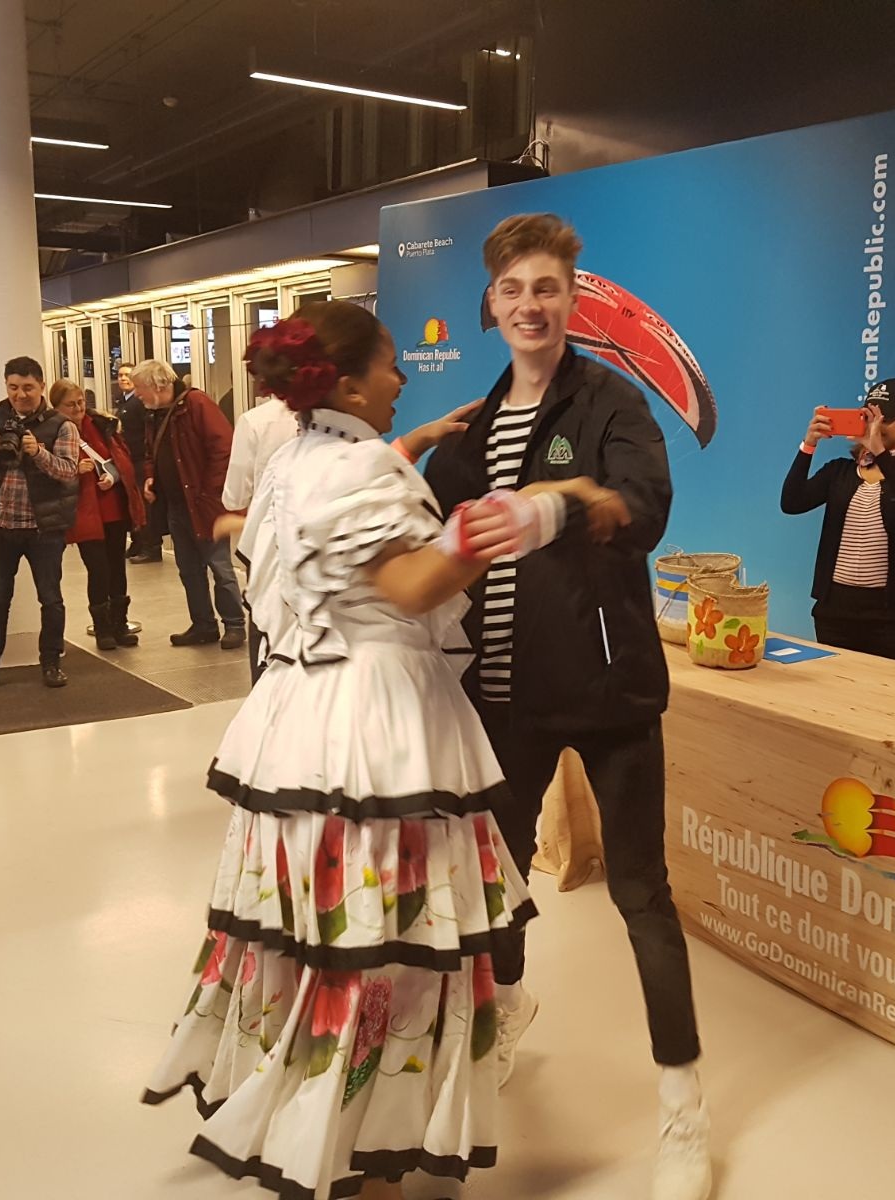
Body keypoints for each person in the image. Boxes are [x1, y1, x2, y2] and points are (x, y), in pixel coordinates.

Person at [143, 301, 600, 1199]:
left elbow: (316, 552)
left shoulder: (293, 464)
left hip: (300, 721)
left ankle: (323, 1123)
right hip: (377, 729)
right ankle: (366, 1148)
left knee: (318, 936)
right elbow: (413, 581)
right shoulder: (358, 467)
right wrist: (544, 507)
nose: (402, 379)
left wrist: (419, 449)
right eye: (392, 366)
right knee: (387, 940)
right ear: (349, 383)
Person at [424, 213, 712, 1200]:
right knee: (493, 884)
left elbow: (643, 505)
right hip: (502, 700)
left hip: (609, 692)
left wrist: (563, 504)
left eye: (546, 288)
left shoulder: (611, 403)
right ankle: (505, 1008)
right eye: (512, 290)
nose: (529, 305)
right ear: (491, 306)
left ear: (571, 301)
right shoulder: (472, 425)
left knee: (641, 898)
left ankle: (682, 1107)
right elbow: (425, 528)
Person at [780, 378, 895, 661]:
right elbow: (791, 502)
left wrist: (879, 451)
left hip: (889, 618)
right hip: (834, 612)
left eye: (885, 419)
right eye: (868, 417)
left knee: (887, 699)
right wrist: (808, 444)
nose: (875, 426)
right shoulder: (840, 472)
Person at [0, 355, 81, 691]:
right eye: (13, 387)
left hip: (43, 529)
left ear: (41, 386)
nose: (20, 394)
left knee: (51, 598)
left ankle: (51, 664)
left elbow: (68, 471)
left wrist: (37, 452)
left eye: (28, 387)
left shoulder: (62, 425)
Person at [134, 359, 245, 650]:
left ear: (158, 385)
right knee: (189, 569)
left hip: (202, 504)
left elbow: (223, 450)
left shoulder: (197, 404)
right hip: (177, 505)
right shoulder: (155, 414)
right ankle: (203, 625)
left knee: (219, 567)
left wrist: (209, 494)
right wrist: (150, 478)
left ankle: (234, 625)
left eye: (140, 388)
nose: (137, 395)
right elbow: (151, 453)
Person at [50, 380, 146, 651]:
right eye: (70, 404)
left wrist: (113, 476)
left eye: (80, 402)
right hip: (84, 512)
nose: (78, 408)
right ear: (56, 407)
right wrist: (74, 470)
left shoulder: (102, 425)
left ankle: (119, 623)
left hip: (113, 508)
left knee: (117, 567)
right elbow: (49, 471)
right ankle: (103, 628)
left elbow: (120, 460)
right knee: (98, 570)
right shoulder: (55, 432)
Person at [221, 385, 301, 681]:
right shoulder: (330, 422)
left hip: (267, 540)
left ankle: (264, 691)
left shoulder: (254, 421)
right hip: (313, 540)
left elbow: (235, 496)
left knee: (265, 619)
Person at [117, 362, 162, 564]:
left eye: (128, 375)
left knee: (145, 506)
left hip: (139, 458)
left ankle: (151, 546)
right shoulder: (123, 402)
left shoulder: (138, 403)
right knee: (134, 504)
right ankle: (138, 542)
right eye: (120, 375)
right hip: (129, 458)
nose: (123, 378)